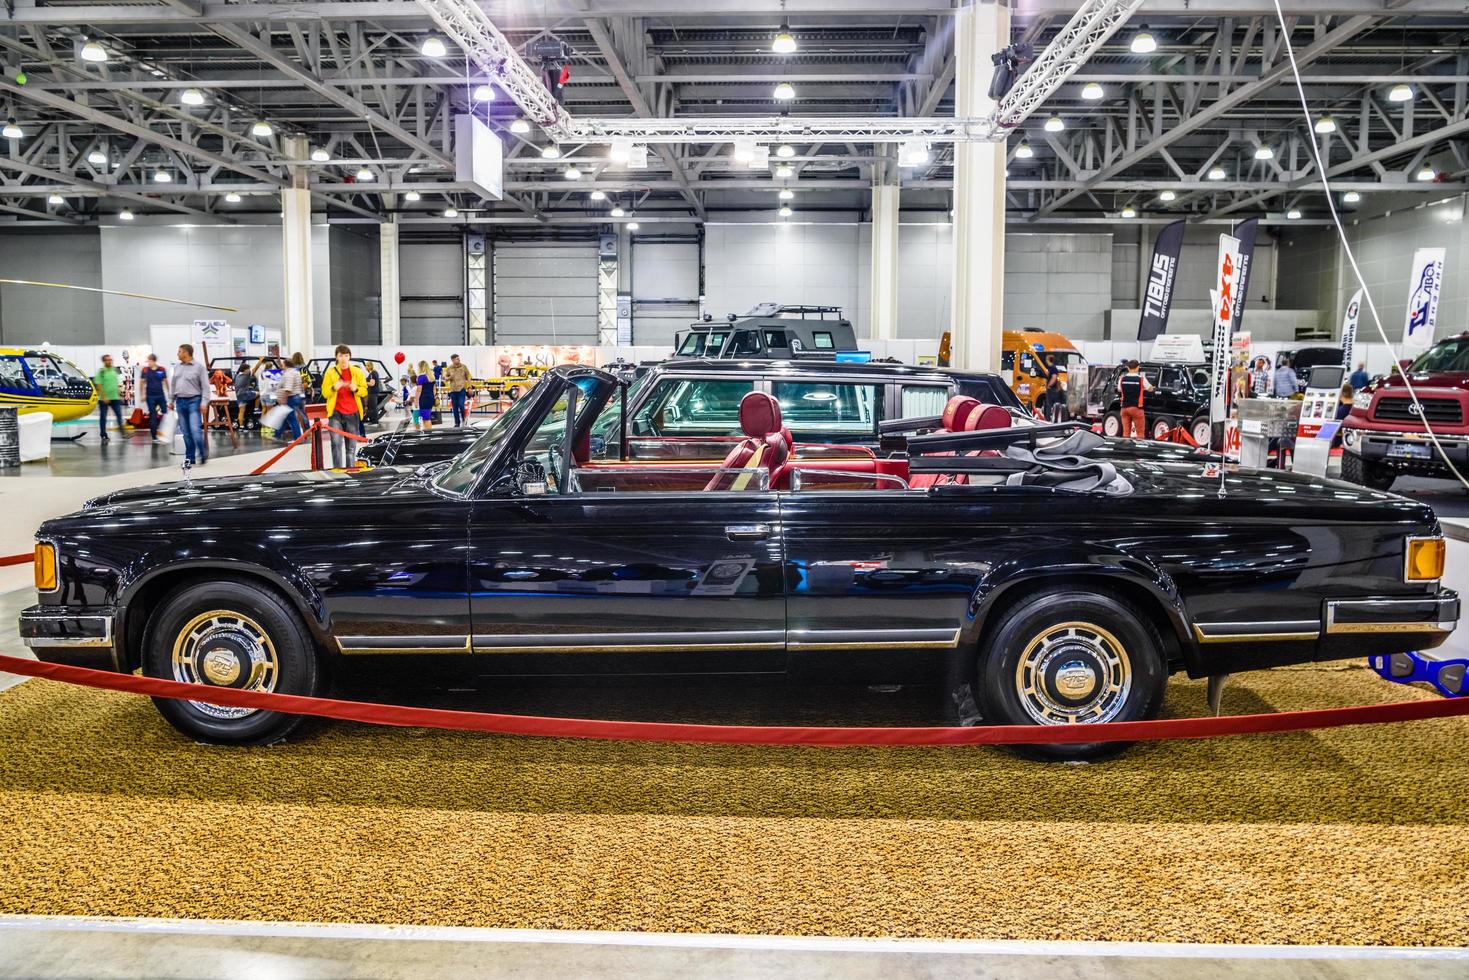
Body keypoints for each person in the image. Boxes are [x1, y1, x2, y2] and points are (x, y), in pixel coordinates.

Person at [320, 345, 366, 468]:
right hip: (336, 414)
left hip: (353, 414)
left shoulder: (357, 372)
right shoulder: (330, 372)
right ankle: (338, 471)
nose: (344, 358)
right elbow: (324, 392)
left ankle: (350, 472)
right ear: (337, 357)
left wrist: (355, 389)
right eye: (341, 355)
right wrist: (334, 387)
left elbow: (364, 391)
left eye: (346, 355)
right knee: (336, 444)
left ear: (349, 357)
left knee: (351, 448)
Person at [171, 344, 210, 466]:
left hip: (194, 401)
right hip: (180, 402)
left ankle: (202, 452)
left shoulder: (199, 368)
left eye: (179, 351)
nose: (177, 354)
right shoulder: (177, 367)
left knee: (194, 429)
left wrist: (204, 402)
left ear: (186, 353)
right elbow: (173, 385)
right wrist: (170, 400)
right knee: (186, 432)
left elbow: (205, 387)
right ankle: (190, 457)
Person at [93, 354, 126, 443]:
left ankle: (123, 432)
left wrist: (119, 394)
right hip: (104, 399)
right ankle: (103, 434)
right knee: (103, 417)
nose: (110, 361)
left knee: (119, 415)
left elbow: (115, 383)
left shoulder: (114, 370)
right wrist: (104, 397)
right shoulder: (101, 372)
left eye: (110, 359)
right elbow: (99, 386)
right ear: (104, 361)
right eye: (107, 360)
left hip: (115, 397)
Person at [277, 352, 306, 441]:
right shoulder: (296, 372)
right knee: (287, 417)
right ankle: (276, 435)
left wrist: (283, 399)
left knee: (292, 418)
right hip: (298, 397)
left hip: (291, 398)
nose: (281, 365)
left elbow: (288, 388)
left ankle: (297, 437)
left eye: (282, 364)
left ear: (286, 365)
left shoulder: (289, 374)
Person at [1117, 359, 1150, 439]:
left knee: (1126, 433)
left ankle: (1126, 449)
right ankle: (1139, 450)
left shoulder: (1122, 379)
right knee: (1140, 434)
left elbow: (1119, 389)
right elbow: (1150, 388)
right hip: (1136, 408)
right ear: (1138, 367)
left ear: (1128, 368)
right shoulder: (1141, 379)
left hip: (1124, 408)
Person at [141, 353, 170, 441]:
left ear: (153, 361)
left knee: (165, 413)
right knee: (153, 415)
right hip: (150, 396)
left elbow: (165, 381)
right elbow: (142, 382)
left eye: (149, 361)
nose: (148, 363)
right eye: (148, 361)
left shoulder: (161, 370)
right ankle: (154, 436)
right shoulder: (145, 370)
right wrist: (142, 394)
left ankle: (166, 432)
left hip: (160, 395)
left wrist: (169, 393)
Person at [444, 353, 472, 426]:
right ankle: (457, 422)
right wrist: (449, 377)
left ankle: (463, 417)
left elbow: (468, 376)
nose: (458, 360)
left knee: (461, 405)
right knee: (455, 408)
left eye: (459, 358)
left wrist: (469, 387)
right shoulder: (449, 368)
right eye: (457, 359)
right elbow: (445, 378)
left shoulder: (463, 367)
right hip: (453, 390)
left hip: (461, 389)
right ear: (453, 360)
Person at [234, 359, 259, 429]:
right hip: (245, 394)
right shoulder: (246, 374)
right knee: (260, 393)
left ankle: (241, 427)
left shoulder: (238, 375)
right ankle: (256, 409)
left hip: (238, 395)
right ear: (245, 370)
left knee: (241, 411)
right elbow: (255, 369)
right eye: (248, 368)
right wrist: (260, 360)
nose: (249, 370)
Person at [414, 359, 436, 430]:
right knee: (426, 416)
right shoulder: (431, 377)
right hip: (430, 397)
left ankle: (429, 433)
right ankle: (427, 431)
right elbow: (434, 390)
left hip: (424, 398)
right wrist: (432, 398)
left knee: (426, 418)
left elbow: (418, 390)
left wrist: (416, 401)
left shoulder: (421, 377)